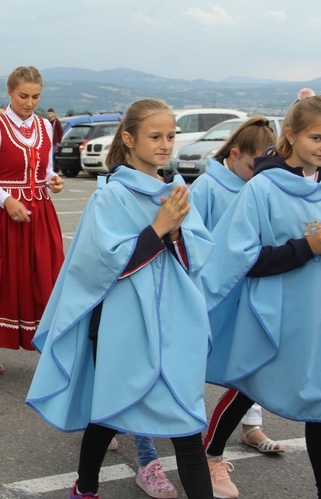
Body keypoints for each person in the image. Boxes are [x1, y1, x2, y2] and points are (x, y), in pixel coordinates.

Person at [26, 98, 215, 498]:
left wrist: (179, 233)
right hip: (126, 324)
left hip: (176, 323)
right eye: (155, 136)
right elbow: (102, 266)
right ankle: (87, 487)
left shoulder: (176, 191)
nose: (165, 144)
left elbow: (198, 256)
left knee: (186, 425)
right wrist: (160, 228)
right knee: (110, 411)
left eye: (170, 136)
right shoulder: (111, 196)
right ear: (128, 139)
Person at [199, 95, 321, 499]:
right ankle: (210, 454)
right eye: (317, 137)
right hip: (271, 313)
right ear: (291, 135)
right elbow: (242, 259)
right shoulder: (262, 187)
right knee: (251, 381)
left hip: (315, 314)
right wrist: (308, 248)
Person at [187, 117, 284, 479]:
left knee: (248, 359)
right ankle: (184, 429)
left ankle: (249, 426)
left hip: (247, 289)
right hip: (212, 292)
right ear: (233, 154)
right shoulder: (208, 187)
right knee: (198, 361)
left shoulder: (259, 186)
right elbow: (192, 239)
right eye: (250, 165)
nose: (255, 172)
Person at [0, 66, 64, 374]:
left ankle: (45, 345)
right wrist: (7, 200)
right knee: (0, 279)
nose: (29, 102)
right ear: (9, 92)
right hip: (2, 213)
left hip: (39, 211)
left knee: (43, 277)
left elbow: (46, 168)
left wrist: (54, 179)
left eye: (35, 96)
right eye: (23, 96)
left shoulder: (44, 126)